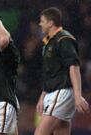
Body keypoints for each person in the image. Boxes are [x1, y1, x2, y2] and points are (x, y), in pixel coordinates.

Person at [35, 7, 90, 135]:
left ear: (51, 23)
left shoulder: (64, 39)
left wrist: (78, 95)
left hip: (61, 91)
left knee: (40, 133)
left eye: (42, 21)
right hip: (53, 91)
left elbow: (74, 66)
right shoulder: (49, 42)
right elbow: (51, 72)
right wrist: (43, 95)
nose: (40, 24)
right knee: (61, 131)